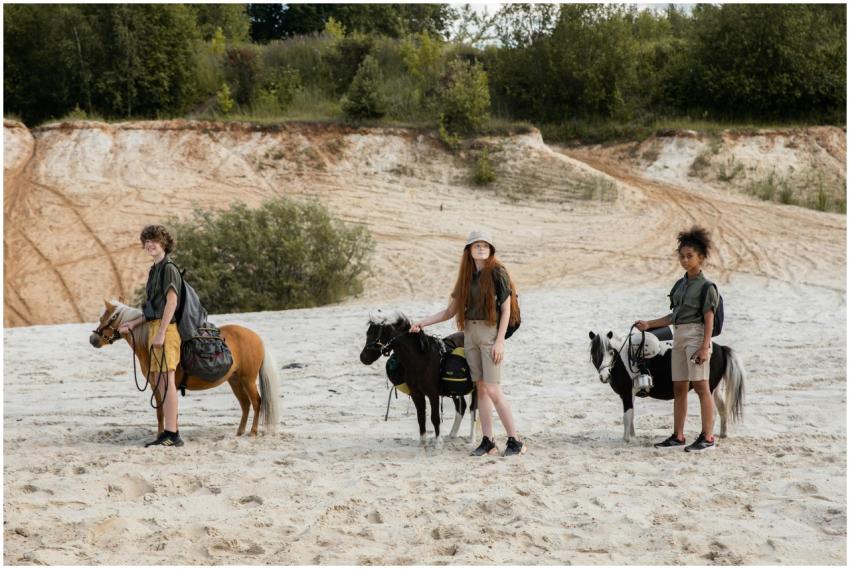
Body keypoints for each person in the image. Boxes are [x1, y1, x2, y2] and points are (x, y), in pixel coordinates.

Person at [411, 230, 525, 457]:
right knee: (481, 389)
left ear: (490, 249)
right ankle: (488, 441)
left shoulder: (497, 272)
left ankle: (515, 440)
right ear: (469, 250)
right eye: (476, 245)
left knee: (493, 389)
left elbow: (505, 309)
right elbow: (449, 311)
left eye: (485, 245)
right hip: (469, 333)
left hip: (490, 333)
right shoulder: (466, 276)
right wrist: (422, 323)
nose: (481, 248)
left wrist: (500, 341)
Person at [635, 225, 720, 453]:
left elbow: (708, 318)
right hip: (679, 335)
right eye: (682, 256)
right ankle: (678, 435)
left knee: (702, 387)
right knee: (679, 387)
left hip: (696, 336)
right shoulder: (680, 284)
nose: (684, 260)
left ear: (701, 257)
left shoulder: (706, 287)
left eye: (690, 256)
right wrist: (650, 324)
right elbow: (675, 315)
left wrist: (704, 346)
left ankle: (708, 437)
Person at [118, 225, 184, 447]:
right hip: (155, 328)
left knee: (167, 382)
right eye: (146, 241)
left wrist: (162, 333)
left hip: (166, 330)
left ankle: (173, 434)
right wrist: (134, 323)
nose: (149, 244)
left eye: (154, 240)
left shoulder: (168, 269)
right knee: (160, 382)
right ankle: (168, 432)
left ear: (164, 243)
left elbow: (172, 302)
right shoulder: (154, 270)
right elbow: (153, 308)